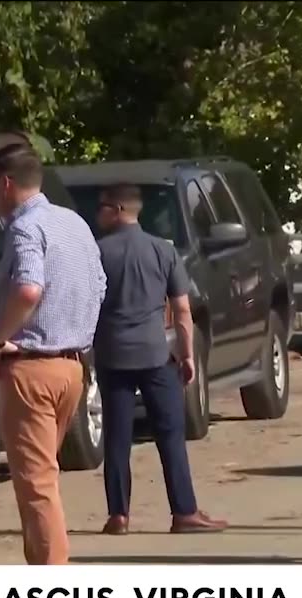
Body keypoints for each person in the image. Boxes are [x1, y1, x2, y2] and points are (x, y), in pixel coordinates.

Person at [0, 143, 107, 565]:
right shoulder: (74, 223)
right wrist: (78, 332)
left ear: (5, 183)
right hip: (72, 366)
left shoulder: (24, 229)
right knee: (44, 478)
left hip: (32, 366)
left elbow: (29, 288)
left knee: (36, 484)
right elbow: (101, 284)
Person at [91, 183, 227, 535]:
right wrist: (186, 355)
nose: (98, 212)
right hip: (155, 354)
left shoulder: (98, 252)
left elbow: (88, 305)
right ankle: (184, 511)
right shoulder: (162, 251)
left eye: (103, 206)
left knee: (117, 438)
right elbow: (182, 311)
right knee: (170, 433)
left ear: (119, 209)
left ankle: (118, 515)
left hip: (112, 355)